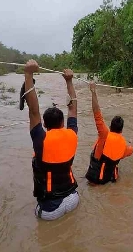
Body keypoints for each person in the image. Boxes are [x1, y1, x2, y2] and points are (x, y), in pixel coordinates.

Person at [22, 59, 79, 221]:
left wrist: (28, 74)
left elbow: (33, 111)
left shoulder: (41, 138)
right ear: (62, 123)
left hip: (51, 208)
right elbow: (73, 108)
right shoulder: (72, 134)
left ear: (45, 124)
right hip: (73, 198)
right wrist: (69, 81)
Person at [85, 82, 133, 185]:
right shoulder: (124, 146)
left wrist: (93, 92)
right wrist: (132, 143)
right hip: (110, 180)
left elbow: (96, 113)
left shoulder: (104, 134)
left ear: (110, 127)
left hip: (94, 180)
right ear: (121, 130)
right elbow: (130, 150)